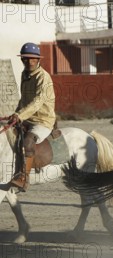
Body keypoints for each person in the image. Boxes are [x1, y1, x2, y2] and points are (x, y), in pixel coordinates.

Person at [8, 42, 56, 192]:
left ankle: (23, 178)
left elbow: (37, 101)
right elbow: (23, 99)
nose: (29, 62)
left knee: (28, 141)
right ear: (22, 59)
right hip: (28, 117)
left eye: (32, 59)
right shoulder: (25, 74)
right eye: (26, 59)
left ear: (38, 59)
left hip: (43, 120)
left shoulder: (43, 77)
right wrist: (15, 113)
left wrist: (20, 115)